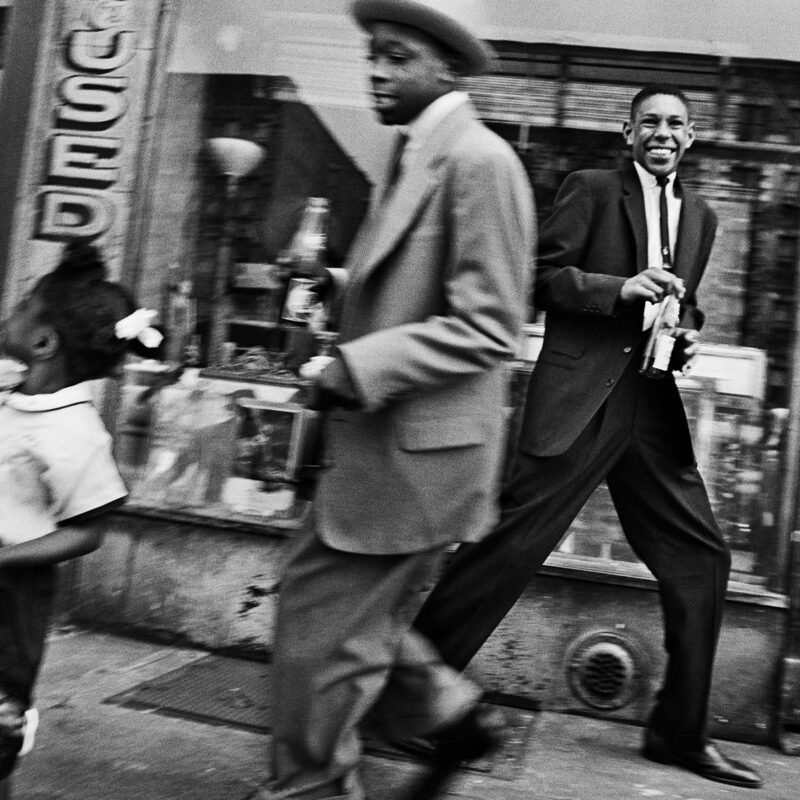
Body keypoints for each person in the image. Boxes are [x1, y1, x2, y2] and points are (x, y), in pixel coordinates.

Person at [413, 83, 763, 790]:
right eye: (650, 122)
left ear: (692, 137)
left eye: (675, 124)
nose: (662, 133)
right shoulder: (592, 188)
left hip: (650, 409)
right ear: (627, 130)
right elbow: (538, 279)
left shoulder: (703, 216)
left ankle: (678, 734)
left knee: (703, 559)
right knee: (505, 549)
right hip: (580, 400)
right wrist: (617, 289)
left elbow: (683, 307)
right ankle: (412, 701)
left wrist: (685, 337)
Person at [249, 2, 535, 799]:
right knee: (344, 621)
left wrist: (355, 366)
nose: (374, 70)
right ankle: (452, 714)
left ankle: (309, 788)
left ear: (448, 67)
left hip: (410, 456)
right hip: (386, 451)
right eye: (372, 54)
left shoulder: (479, 160)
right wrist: (334, 282)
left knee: (321, 636)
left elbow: (490, 325)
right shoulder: (422, 152)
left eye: (396, 56)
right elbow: (422, 289)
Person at [0, 241, 162, 799]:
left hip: (10, 594)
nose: (10, 312)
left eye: (22, 305)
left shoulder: (76, 435)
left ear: (43, 342)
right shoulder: (10, 394)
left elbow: (87, 530)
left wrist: (7, 557)